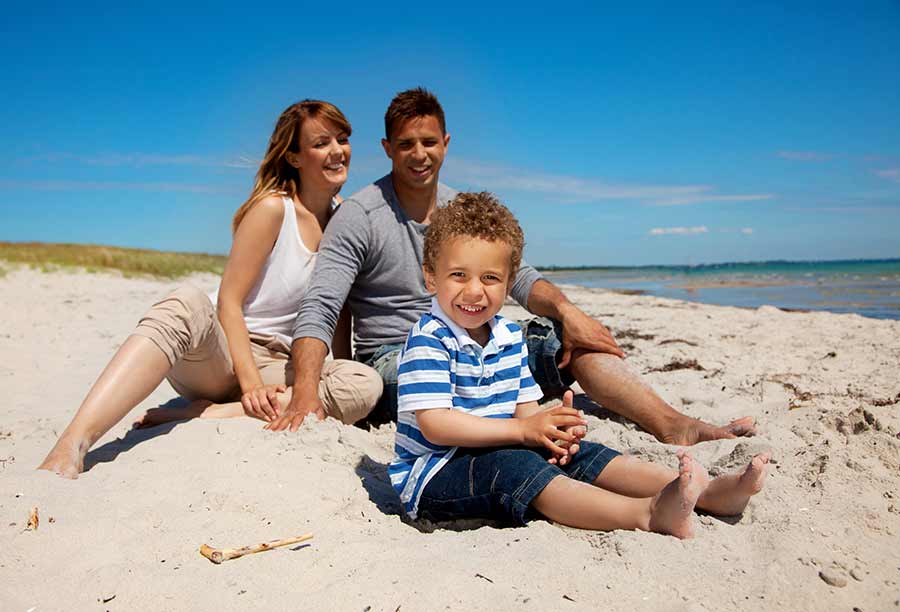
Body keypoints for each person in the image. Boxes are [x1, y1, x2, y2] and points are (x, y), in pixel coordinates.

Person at [269, 87, 755, 447]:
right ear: (388, 148)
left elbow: (518, 276)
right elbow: (321, 305)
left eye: (430, 142)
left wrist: (568, 312)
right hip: (402, 355)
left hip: (478, 337)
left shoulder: (462, 211)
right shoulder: (361, 213)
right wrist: (306, 392)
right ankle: (515, 432)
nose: (420, 154)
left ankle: (673, 424)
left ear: (446, 142)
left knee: (566, 340)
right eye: (406, 144)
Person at [389, 192, 769, 536]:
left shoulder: (506, 336)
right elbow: (436, 426)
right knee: (518, 467)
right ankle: (646, 514)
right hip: (435, 475)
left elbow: (525, 411)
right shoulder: (429, 338)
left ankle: (711, 493)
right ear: (430, 277)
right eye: (459, 275)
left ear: (508, 285)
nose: (474, 290)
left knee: (577, 454)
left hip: (500, 446)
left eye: (490, 278)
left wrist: (548, 432)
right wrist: (524, 433)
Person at [39, 100, 383, 479]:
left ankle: (209, 412)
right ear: (295, 157)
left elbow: (334, 309)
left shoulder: (346, 219)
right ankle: (72, 444)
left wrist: (336, 367)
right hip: (227, 356)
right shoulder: (273, 209)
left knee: (364, 383)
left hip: (284, 368)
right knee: (185, 301)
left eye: (343, 139)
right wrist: (250, 384)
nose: (337, 151)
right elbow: (230, 303)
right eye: (321, 143)